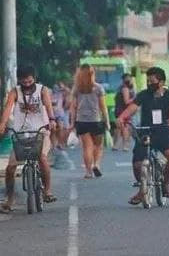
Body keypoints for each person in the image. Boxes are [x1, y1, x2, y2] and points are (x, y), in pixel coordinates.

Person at [116, 67, 169, 205]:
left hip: (163, 131)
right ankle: (141, 190)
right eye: (148, 81)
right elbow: (132, 107)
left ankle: (165, 184)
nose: (149, 84)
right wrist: (122, 117)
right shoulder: (143, 95)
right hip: (146, 131)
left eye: (152, 81)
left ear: (161, 82)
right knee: (138, 164)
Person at [0, 66, 57, 212]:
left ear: (34, 79)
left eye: (29, 81)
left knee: (42, 159)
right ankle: (10, 199)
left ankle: (47, 191)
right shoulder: (15, 92)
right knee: (11, 167)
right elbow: (7, 109)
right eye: (24, 82)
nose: (27, 84)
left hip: (41, 132)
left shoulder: (42, 90)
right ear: (19, 81)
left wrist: (52, 120)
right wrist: (2, 124)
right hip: (21, 134)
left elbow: (49, 107)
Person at [69, 64, 110, 179]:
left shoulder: (76, 89)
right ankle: (96, 165)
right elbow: (103, 107)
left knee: (87, 147)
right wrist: (107, 121)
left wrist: (72, 123)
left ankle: (88, 172)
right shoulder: (98, 88)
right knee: (98, 146)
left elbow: (73, 107)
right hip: (96, 120)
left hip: (81, 121)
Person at [113, 73, 135, 151]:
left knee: (118, 128)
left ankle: (115, 145)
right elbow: (126, 101)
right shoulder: (125, 89)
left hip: (118, 110)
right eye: (130, 79)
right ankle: (125, 145)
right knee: (125, 127)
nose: (131, 81)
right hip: (123, 110)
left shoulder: (120, 88)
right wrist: (135, 99)